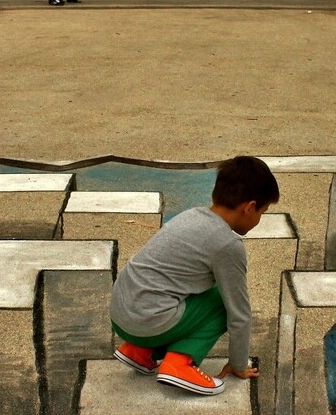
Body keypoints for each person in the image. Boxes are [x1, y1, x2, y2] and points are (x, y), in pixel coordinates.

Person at [110, 156, 280, 395]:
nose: (259, 219)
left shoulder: (190, 215)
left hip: (121, 314)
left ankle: (139, 351)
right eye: (262, 212)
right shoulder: (227, 245)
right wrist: (239, 364)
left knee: (192, 292)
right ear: (249, 207)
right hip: (148, 321)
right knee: (224, 303)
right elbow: (240, 313)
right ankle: (179, 364)